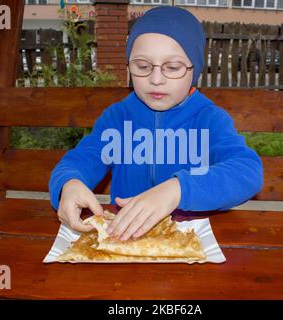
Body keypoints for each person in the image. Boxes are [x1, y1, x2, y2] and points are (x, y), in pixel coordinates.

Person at [49, 6, 264, 241]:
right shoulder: (118, 119)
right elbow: (80, 159)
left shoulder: (210, 120)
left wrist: (178, 190)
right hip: (126, 240)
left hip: (193, 242)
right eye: (142, 66)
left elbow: (247, 171)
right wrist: (68, 184)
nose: (156, 79)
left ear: (195, 70)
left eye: (172, 67)